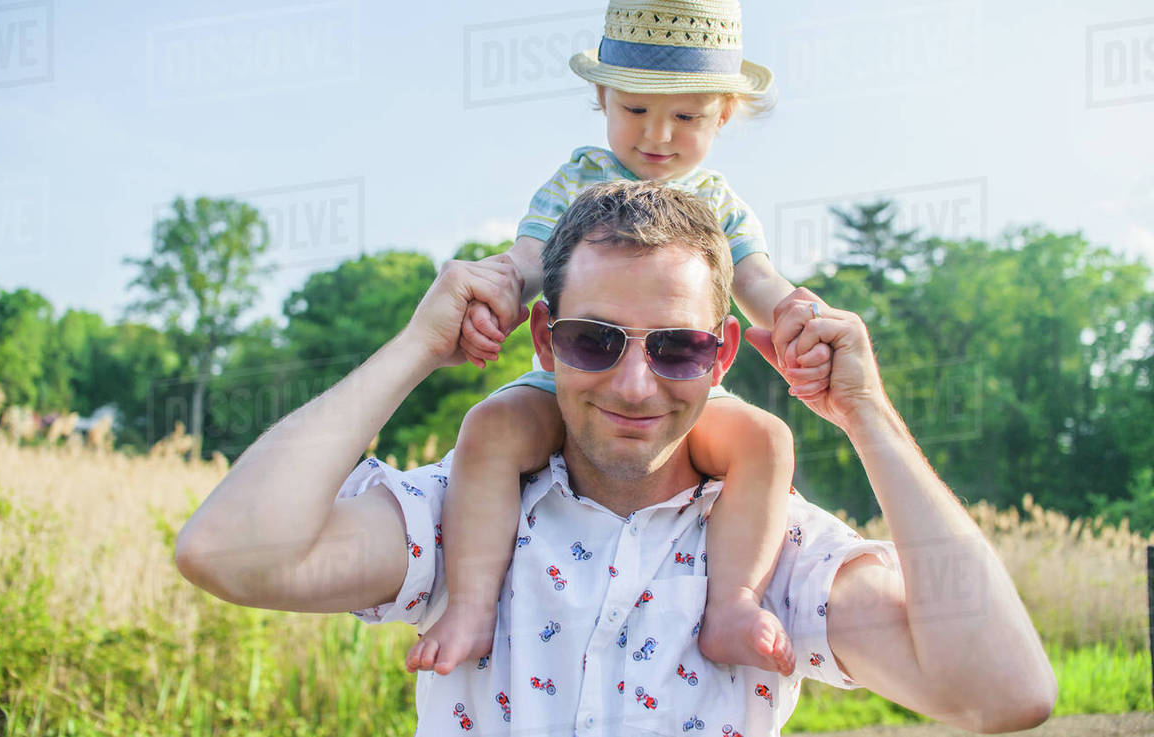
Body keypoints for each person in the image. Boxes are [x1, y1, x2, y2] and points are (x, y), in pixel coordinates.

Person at [175, 181, 1056, 736]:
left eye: (676, 348)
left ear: (723, 356)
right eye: (595, 340)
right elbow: (226, 552)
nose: (635, 384)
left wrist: (866, 413)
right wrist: (414, 348)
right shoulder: (459, 517)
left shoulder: (776, 551)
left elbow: (1005, 693)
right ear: (544, 342)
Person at [423, 0, 829, 677]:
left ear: (725, 114)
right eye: (636, 108)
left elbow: (756, 280)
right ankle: (470, 605)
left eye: (688, 117)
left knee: (767, 438)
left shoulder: (720, 205)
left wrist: (796, 310)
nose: (658, 135)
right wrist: (491, 293)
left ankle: (733, 605)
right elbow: (527, 260)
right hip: (568, 377)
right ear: (603, 99)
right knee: (487, 431)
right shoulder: (577, 179)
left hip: (677, 380)